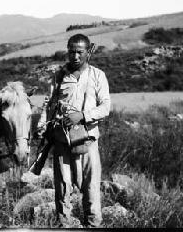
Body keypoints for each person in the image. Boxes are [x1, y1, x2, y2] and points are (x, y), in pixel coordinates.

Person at [41, 33, 110, 227]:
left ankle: (93, 224)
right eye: (72, 52)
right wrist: (44, 126)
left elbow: (105, 107)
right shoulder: (59, 76)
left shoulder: (98, 75)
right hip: (62, 141)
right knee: (63, 187)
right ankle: (64, 224)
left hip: (88, 141)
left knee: (91, 187)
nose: (75, 56)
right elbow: (49, 104)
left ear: (88, 52)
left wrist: (83, 115)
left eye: (80, 52)